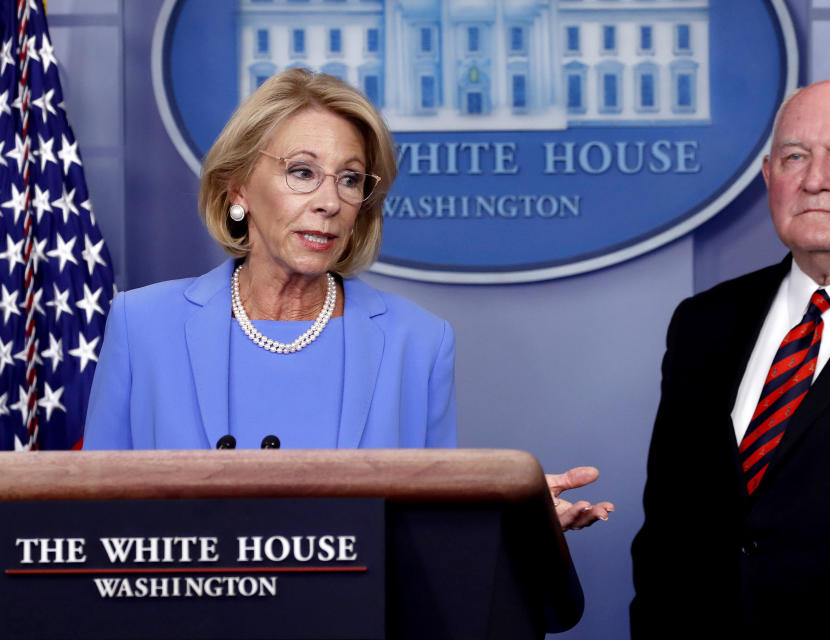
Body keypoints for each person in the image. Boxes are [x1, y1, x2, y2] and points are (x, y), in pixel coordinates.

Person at [83, 69, 611, 530]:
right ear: (237, 188)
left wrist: (516, 516)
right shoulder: (142, 326)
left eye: (351, 179)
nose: (330, 202)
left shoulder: (418, 342)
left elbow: (438, 525)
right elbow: (87, 513)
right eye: (303, 172)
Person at [631, 78, 830, 634]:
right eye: (794, 158)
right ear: (768, 179)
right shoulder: (703, 323)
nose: (814, 181)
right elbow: (668, 532)